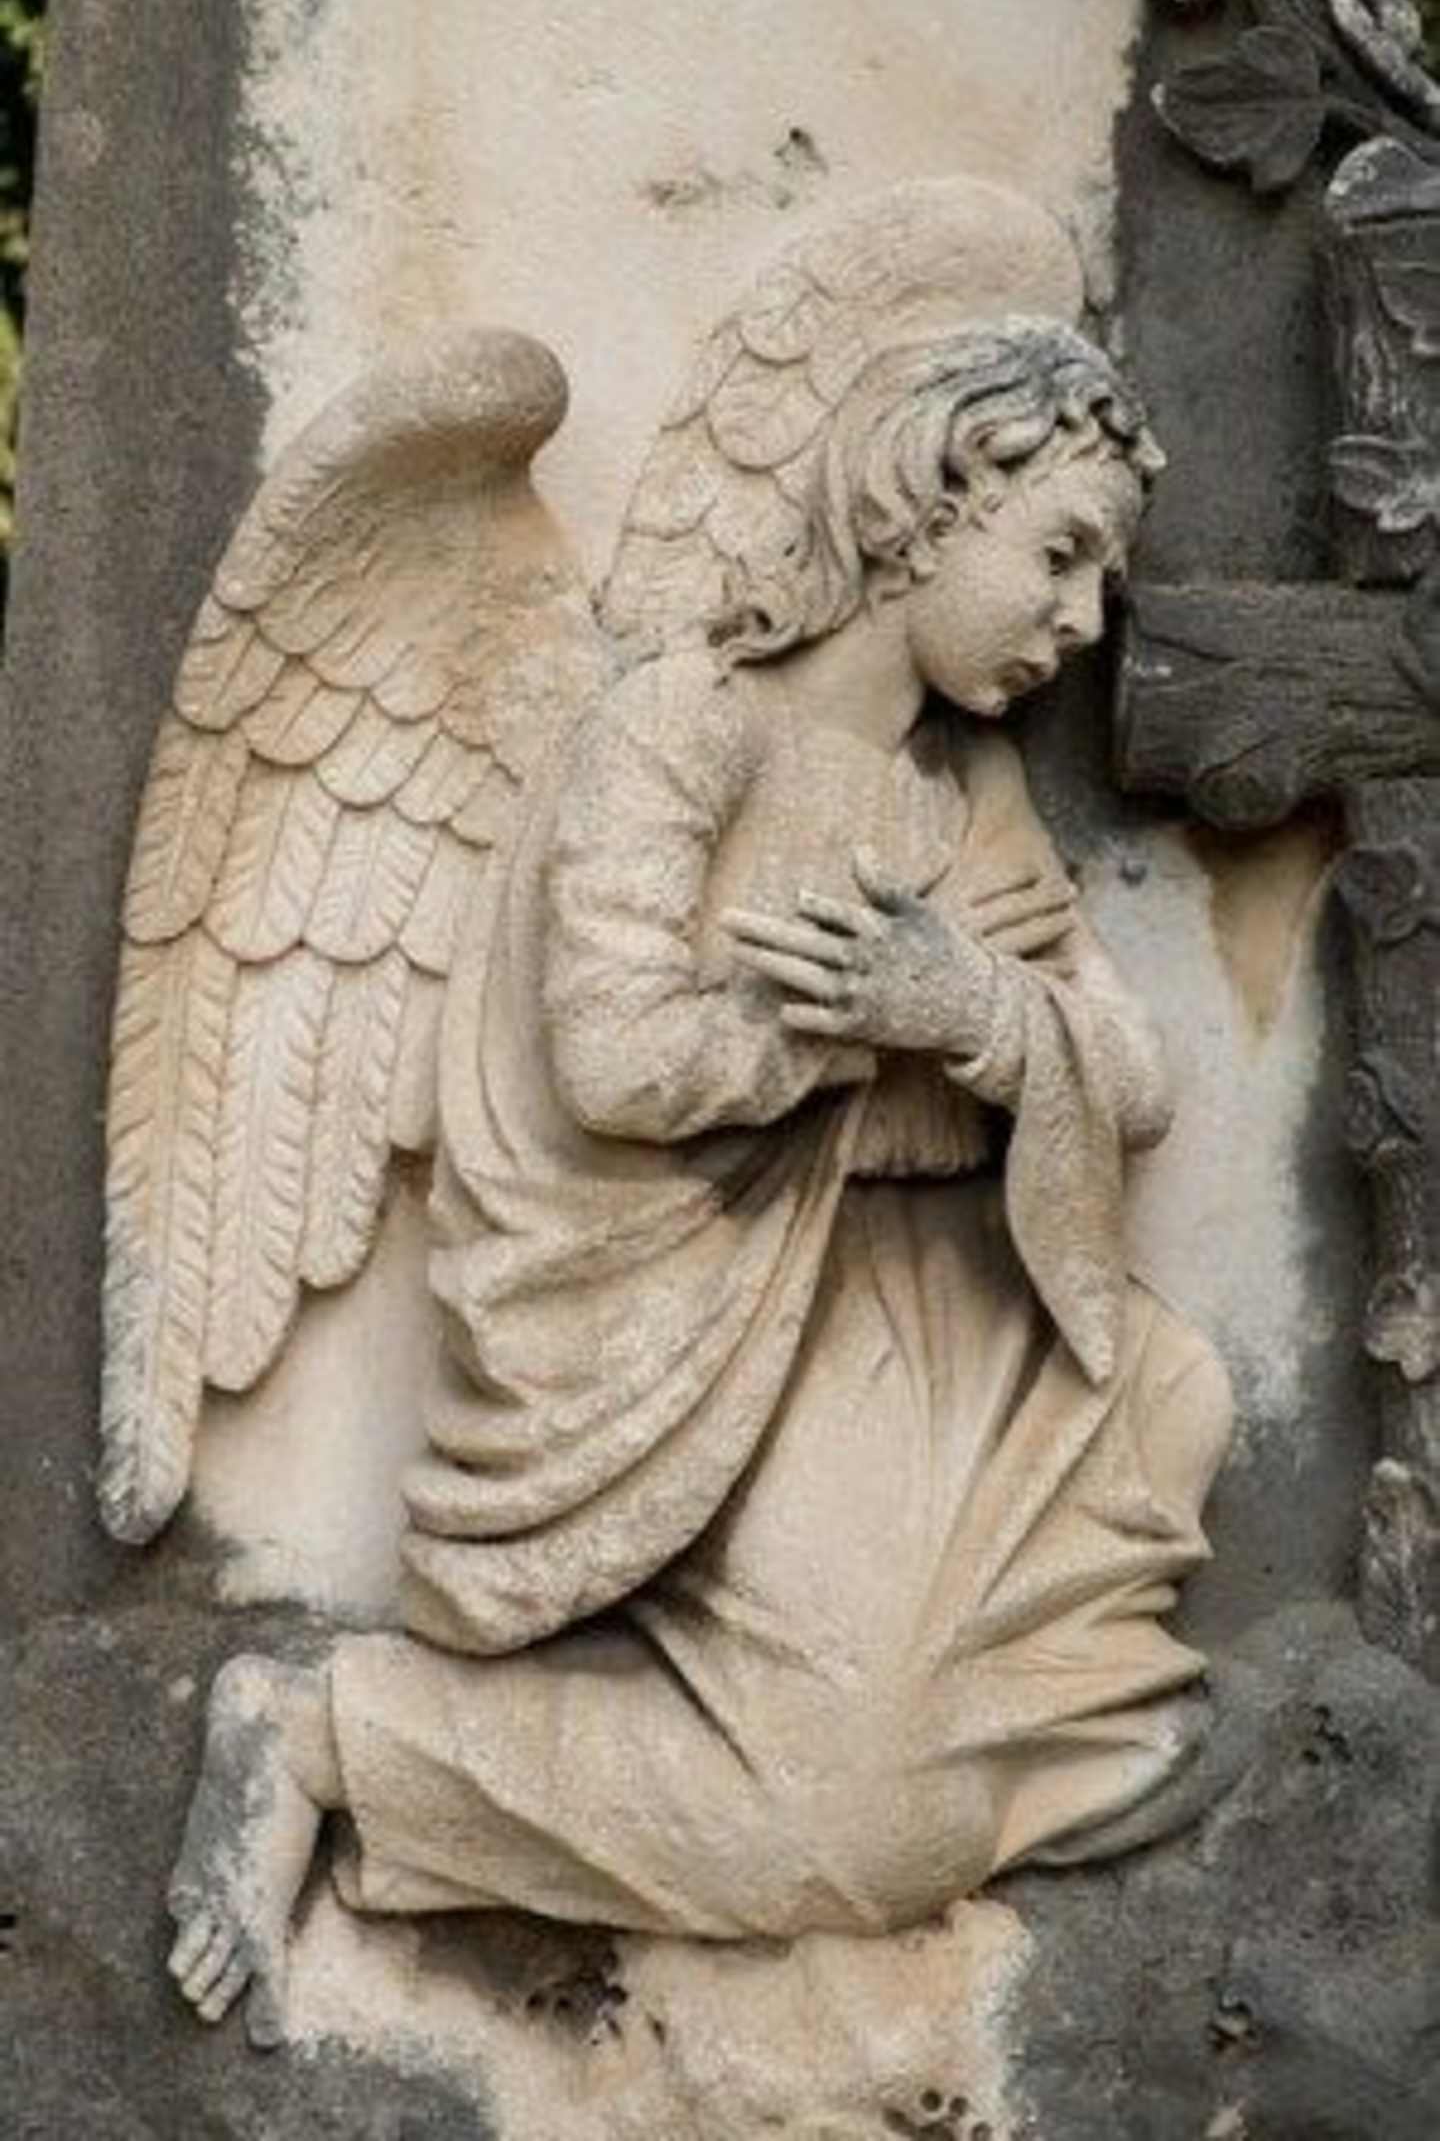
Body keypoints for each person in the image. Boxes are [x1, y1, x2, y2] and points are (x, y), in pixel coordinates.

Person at [166, 317, 1233, 2048]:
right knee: (851, 1819)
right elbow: (613, 1052)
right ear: (924, 503)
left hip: (914, 1326)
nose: (1083, 620)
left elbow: (1138, 1075)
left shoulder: (963, 794)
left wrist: (972, 1010)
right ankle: (331, 1736)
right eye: (1056, 555)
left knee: (1164, 1420)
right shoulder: (680, 726)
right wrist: (846, 1031)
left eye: (1099, 574)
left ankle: (992, 1752)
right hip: (692, 1341)